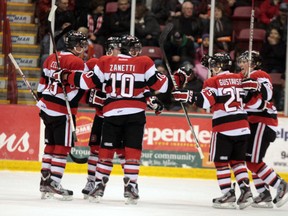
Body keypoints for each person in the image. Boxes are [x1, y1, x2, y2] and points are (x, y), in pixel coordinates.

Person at [49, 35, 169, 204]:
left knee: (105, 151)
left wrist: (66, 76)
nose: (136, 51)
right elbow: (161, 86)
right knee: (132, 152)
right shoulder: (144, 62)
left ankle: (98, 185)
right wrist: (171, 77)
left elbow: (86, 82)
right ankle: (131, 186)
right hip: (135, 114)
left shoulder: (105, 61)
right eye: (134, 48)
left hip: (112, 113)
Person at [172, 52, 253, 209]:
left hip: (224, 127)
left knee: (220, 162)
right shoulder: (240, 78)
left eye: (215, 65)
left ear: (221, 66)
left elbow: (206, 102)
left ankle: (228, 193)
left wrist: (188, 95)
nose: (213, 68)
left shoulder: (213, 81)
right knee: (237, 162)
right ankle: (246, 190)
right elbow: (248, 98)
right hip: (243, 126)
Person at [36, 30, 88, 200]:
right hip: (62, 110)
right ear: (74, 46)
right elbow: (80, 88)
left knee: (50, 145)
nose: (83, 48)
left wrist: (42, 102)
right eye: (81, 44)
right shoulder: (77, 61)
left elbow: (42, 84)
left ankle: (45, 182)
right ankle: (55, 182)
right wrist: (70, 105)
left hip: (47, 107)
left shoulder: (51, 57)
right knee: (62, 147)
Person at [237, 50, 288, 208]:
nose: (241, 64)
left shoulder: (260, 74)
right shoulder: (242, 77)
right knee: (249, 159)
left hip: (262, 122)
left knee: (252, 161)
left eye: (245, 61)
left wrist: (256, 85)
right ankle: (264, 193)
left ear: (254, 63)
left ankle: (280, 184)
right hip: (253, 122)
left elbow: (267, 95)